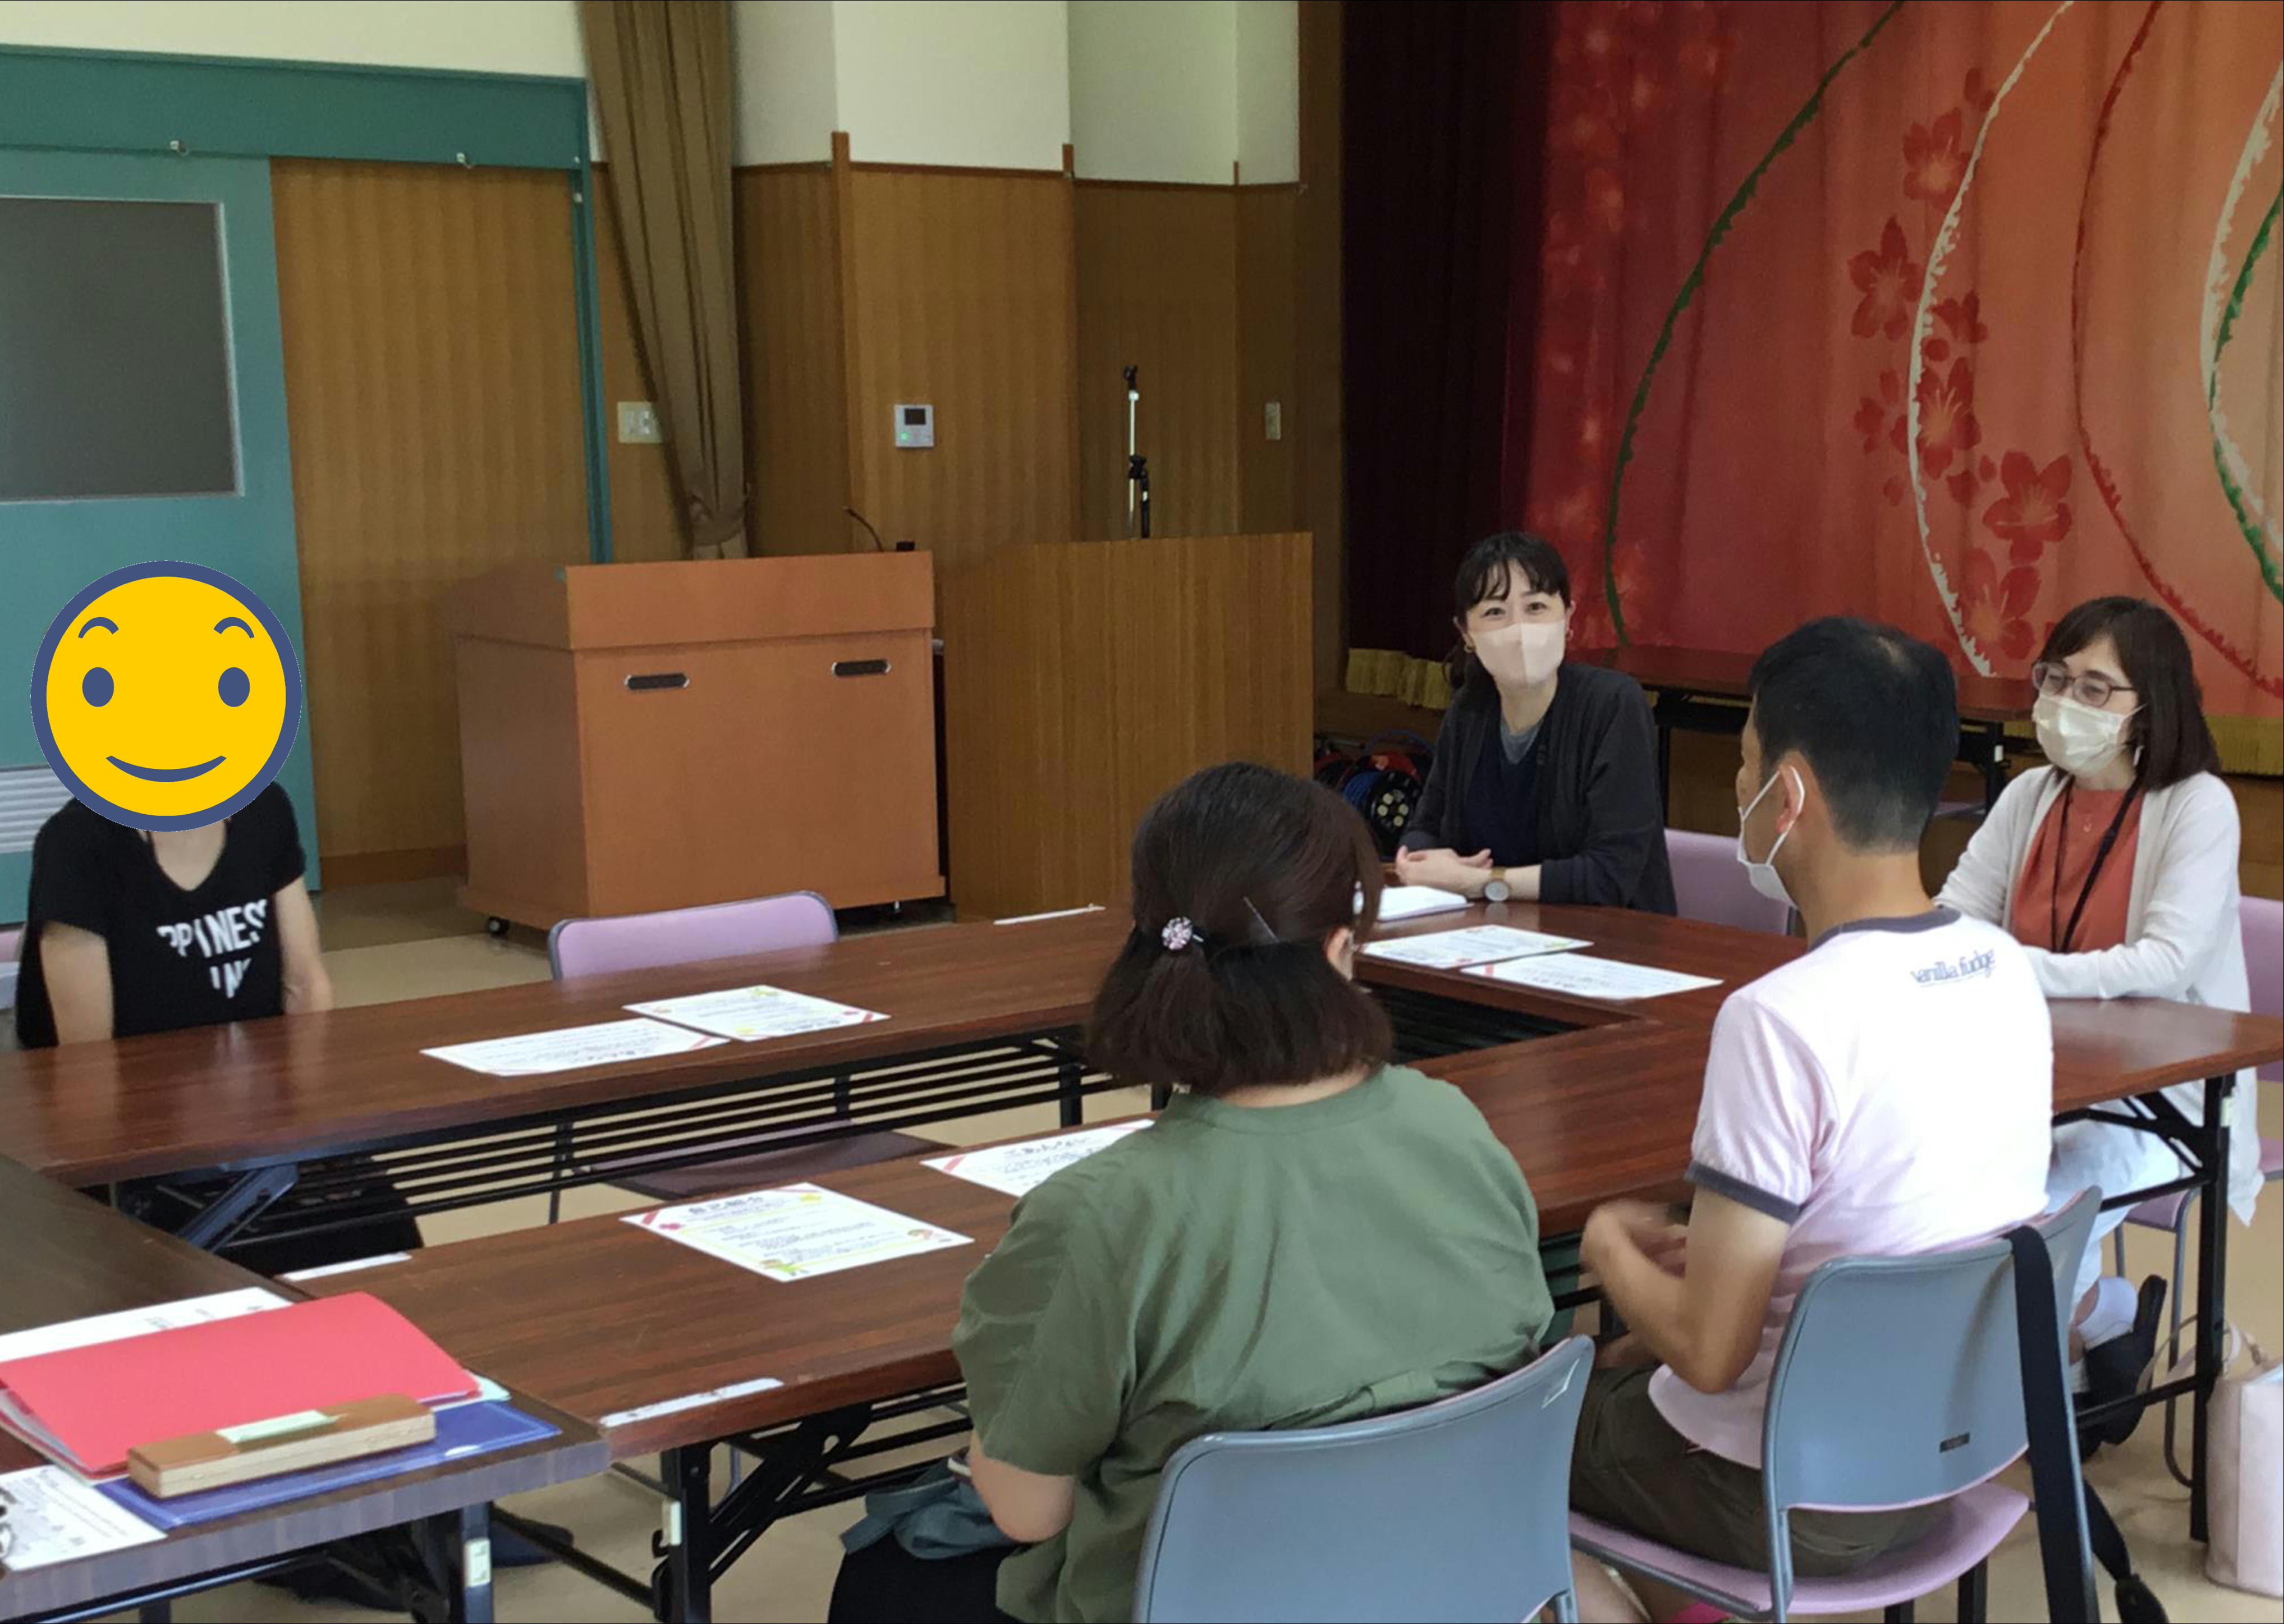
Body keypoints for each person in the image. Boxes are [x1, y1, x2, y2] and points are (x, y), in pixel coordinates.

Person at [830, 763, 1556, 1624]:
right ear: (1340, 951)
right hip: (1446, 1588)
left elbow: (1028, 1510)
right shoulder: (1455, 1126)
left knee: (885, 1570)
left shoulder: (1101, 1211)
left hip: (1197, 1600)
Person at [1568, 620, 2053, 1624]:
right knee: (1617, 1370)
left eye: (1744, 763)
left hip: (1781, 1489)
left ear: (1785, 796)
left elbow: (1709, 1352)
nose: (1737, 785)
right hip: (1944, 1455)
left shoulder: (1781, 1017)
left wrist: (1607, 1243)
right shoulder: (2005, 967)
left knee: (1487, 1433)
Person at [1938, 596, 2259, 1425]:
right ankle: (2094, 1334)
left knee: (2042, 1194)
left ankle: (2055, 1388)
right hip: (2030, 1076)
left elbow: (2165, 961)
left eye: (2093, 688)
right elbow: (1955, 913)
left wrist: (2009, 969)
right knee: (1926, 1168)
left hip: (2161, 1097)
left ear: (2148, 708)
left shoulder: (2196, 805)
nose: (2063, 702)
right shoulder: (2030, 794)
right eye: (2055, 679)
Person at [13, 783, 421, 1274]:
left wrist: (313, 1124)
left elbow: (305, 986)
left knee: (381, 1227)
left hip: (265, 1116)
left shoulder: (263, 808)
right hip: (151, 1135)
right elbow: (87, 1064)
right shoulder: (79, 839)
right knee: (235, 1260)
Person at [1395, 532, 1676, 912]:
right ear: (1466, 634)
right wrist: (1417, 861)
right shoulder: (1470, 709)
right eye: (1495, 613)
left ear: (1567, 618)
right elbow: (1425, 827)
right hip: (1493, 928)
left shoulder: (1612, 704)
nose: (1519, 631)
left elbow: (1610, 876)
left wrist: (1483, 883)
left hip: (1611, 933)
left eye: (1536, 607)